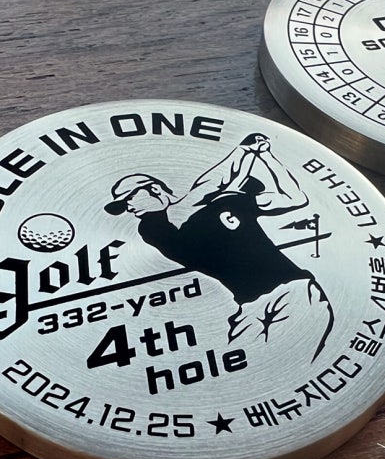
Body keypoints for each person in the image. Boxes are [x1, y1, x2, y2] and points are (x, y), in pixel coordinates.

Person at [104, 133, 333, 359]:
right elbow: (208, 187)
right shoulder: (153, 227)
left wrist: (266, 157)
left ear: (154, 189)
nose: (128, 208)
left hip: (292, 290)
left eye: (129, 199)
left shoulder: (224, 200)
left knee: (299, 362)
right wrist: (243, 151)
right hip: (250, 307)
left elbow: (293, 198)